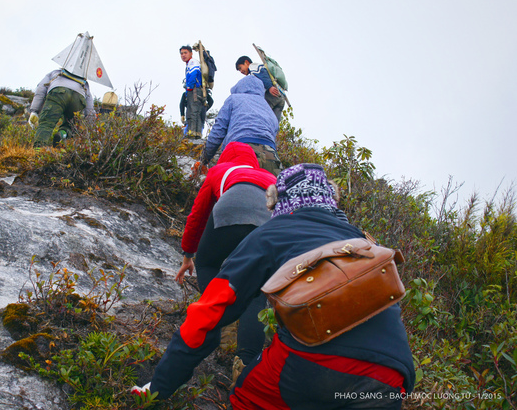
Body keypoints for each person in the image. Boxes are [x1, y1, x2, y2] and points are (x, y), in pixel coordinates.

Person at [137, 163, 416, 409]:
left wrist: (159, 387)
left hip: (315, 367)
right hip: (392, 377)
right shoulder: (363, 241)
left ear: (280, 202)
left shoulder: (271, 234)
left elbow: (209, 313)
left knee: (247, 398)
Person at [176, 141, 276, 368]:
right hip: (267, 222)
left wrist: (189, 255)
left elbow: (198, 216)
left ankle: (219, 320)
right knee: (256, 293)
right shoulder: (270, 177)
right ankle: (245, 363)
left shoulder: (219, 171)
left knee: (208, 263)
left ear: (225, 158)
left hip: (230, 208)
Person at [200, 75, 282, 176]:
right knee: (269, 189)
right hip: (271, 154)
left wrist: (205, 158)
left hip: (239, 149)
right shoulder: (268, 109)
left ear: (239, 87)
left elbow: (218, 130)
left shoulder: (234, 99)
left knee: (233, 188)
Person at [29, 68, 95, 147]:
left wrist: (35, 111)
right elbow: (89, 108)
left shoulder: (55, 73)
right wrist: (91, 127)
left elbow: (41, 88)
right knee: (71, 126)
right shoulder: (85, 82)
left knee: (46, 124)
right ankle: (62, 133)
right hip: (78, 97)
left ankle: (38, 150)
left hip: (58, 92)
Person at [236, 56, 286, 121]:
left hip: (272, 94)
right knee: (274, 121)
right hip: (281, 97)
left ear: (246, 62)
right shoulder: (257, 68)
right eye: (239, 70)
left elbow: (263, 75)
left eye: (240, 68)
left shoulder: (253, 67)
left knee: (260, 114)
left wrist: (270, 87)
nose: (241, 71)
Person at [180, 45, 205, 139]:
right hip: (195, 89)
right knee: (195, 111)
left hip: (194, 89)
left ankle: (192, 133)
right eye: (181, 53)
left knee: (192, 111)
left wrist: (189, 86)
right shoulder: (189, 63)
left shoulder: (192, 62)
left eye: (185, 53)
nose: (183, 55)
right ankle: (196, 133)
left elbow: (193, 74)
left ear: (191, 53)